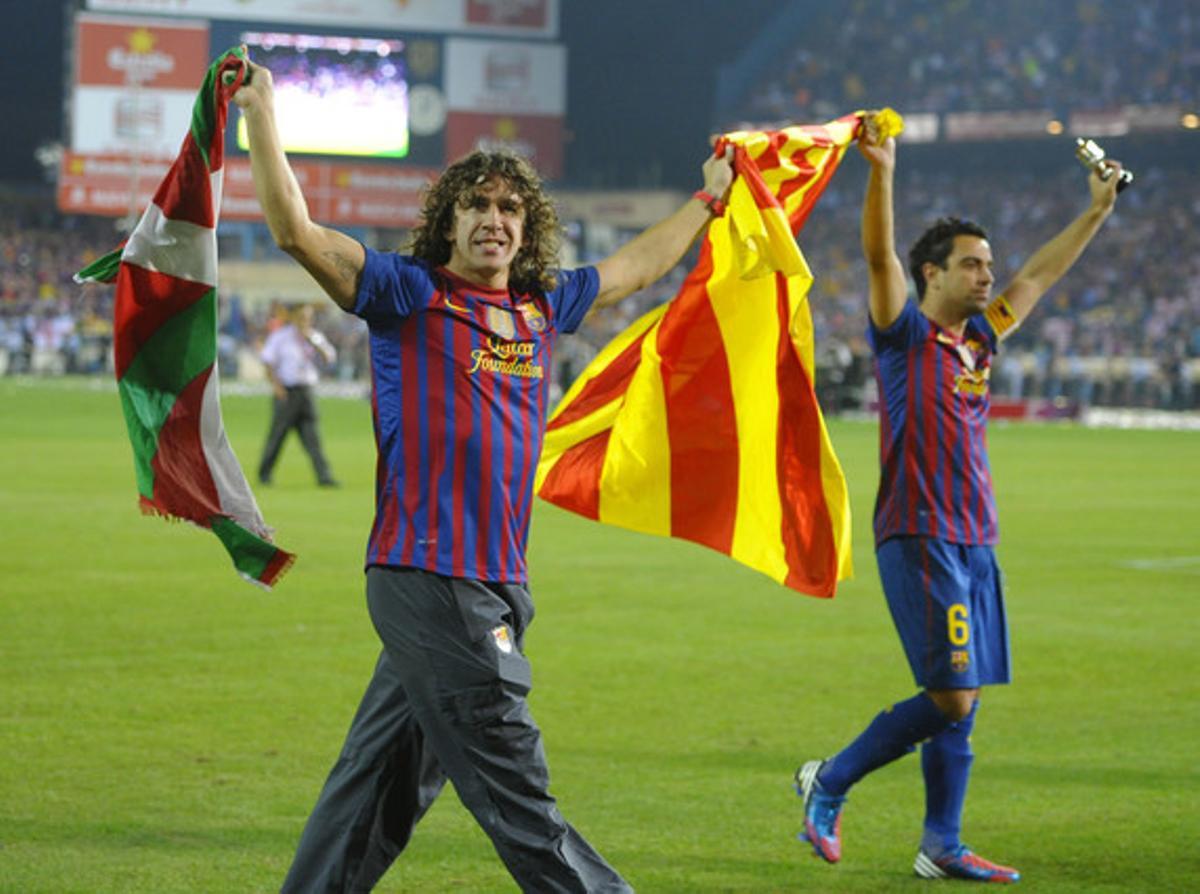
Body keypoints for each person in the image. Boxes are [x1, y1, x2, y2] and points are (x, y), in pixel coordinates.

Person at [234, 54, 734, 893]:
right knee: (516, 785)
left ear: (527, 225)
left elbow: (640, 266)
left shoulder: (541, 306)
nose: (494, 219)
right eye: (476, 204)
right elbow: (296, 232)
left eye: (509, 207)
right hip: (432, 577)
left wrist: (710, 198)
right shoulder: (408, 293)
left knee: (381, 784)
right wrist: (262, 109)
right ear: (450, 220)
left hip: (498, 583)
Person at [794, 116, 1122, 883]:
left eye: (988, 265)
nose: (987, 277)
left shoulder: (980, 341)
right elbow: (879, 253)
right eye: (972, 265)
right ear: (932, 275)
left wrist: (1097, 210)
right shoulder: (903, 335)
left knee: (963, 703)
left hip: (977, 539)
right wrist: (882, 169)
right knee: (951, 694)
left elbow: (1038, 278)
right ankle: (829, 779)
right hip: (918, 534)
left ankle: (941, 844)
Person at [257, 302, 340, 487]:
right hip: (287, 391)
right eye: (302, 317)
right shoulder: (280, 337)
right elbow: (268, 363)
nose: (306, 321)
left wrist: (311, 340)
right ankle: (264, 474)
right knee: (277, 435)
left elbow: (329, 358)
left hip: (306, 391)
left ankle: (324, 476)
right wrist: (277, 387)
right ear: (293, 317)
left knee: (313, 438)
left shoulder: (315, 337)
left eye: (309, 317)